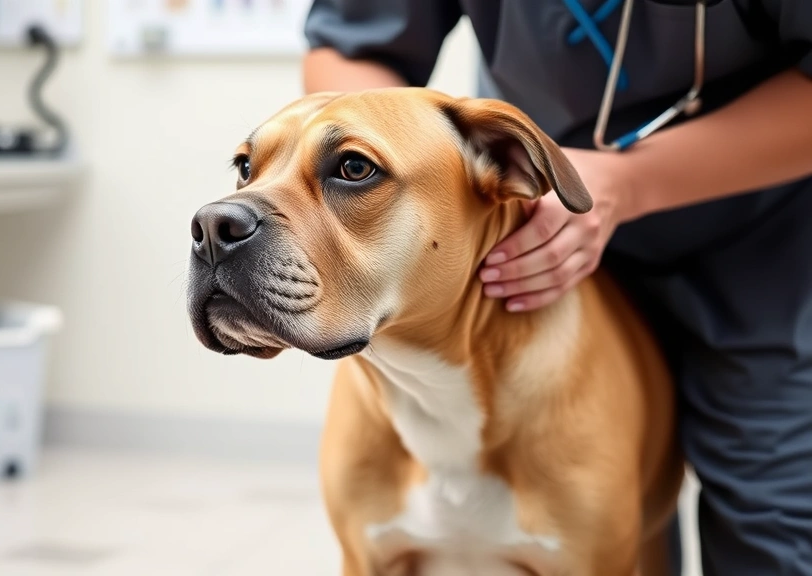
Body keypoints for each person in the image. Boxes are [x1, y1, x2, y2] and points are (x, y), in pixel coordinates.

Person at [301, 1, 812, 574]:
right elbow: (355, 44)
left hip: (758, 239)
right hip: (527, 235)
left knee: (772, 529)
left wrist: (629, 180)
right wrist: (380, 152)